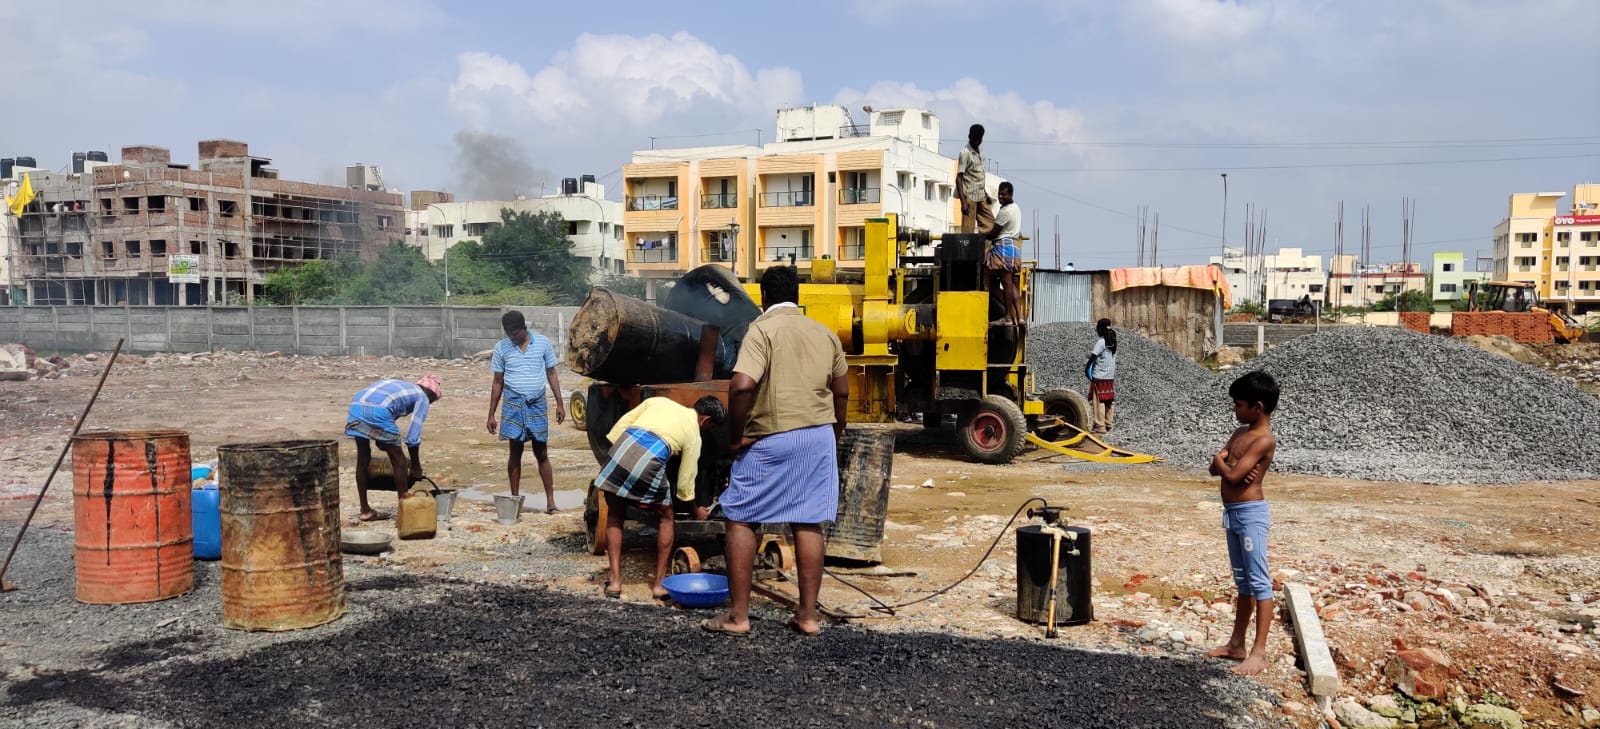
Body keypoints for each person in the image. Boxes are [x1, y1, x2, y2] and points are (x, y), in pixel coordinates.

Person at [701, 266, 849, 637]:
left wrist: (736, 438)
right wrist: (835, 432)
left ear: (763, 297)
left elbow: (740, 387)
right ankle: (808, 617)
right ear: (797, 295)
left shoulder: (762, 330)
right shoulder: (824, 333)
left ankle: (738, 617)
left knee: (740, 515)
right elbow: (842, 391)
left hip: (772, 436)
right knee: (808, 519)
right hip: (818, 436)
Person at [594, 396, 725, 600]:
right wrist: (695, 510)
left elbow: (618, 428)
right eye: (710, 427)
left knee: (615, 515)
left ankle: (615, 582)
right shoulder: (693, 434)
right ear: (705, 420)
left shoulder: (660, 401)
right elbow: (685, 483)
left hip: (622, 448)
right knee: (665, 519)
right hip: (650, 457)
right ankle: (659, 585)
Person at [1204, 371, 1280, 676]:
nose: (1235, 410)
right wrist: (1225, 463)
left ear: (1257, 407)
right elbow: (1215, 469)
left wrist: (1226, 463)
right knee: (1243, 583)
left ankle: (1258, 652)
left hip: (1251, 514)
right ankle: (1237, 644)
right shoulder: (1239, 434)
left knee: (1260, 581)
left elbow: (1232, 475)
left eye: (1239, 405)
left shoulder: (1263, 440)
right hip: (1232, 514)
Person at [487, 310, 566, 514]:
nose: (513, 337)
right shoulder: (501, 348)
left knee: (542, 452)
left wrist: (559, 402)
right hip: (513, 404)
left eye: (516, 333)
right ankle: (515, 501)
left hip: (537, 403)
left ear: (524, 327)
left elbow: (551, 373)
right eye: (509, 334)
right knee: (515, 452)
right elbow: (497, 382)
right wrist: (491, 414)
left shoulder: (542, 343)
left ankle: (551, 502)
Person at [346, 374, 441, 522]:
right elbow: (412, 439)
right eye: (432, 401)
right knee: (400, 462)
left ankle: (365, 510)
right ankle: (405, 514)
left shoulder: (403, 386)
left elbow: (385, 429)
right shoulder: (422, 397)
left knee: (363, 459)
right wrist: (416, 467)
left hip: (356, 406)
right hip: (378, 411)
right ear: (431, 395)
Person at [985, 181, 1023, 324]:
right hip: (1013, 247)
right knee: (1011, 284)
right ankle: (1019, 316)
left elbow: (994, 233)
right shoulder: (1016, 208)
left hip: (1003, 248)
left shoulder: (1005, 211)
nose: (1000, 197)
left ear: (1010, 194)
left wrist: (981, 235)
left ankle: (1007, 317)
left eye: (1004, 194)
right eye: (999, 194)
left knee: (1006, 282)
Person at [957, 123, 992, 235]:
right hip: (969, 196)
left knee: (990, 225)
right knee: (968, 231)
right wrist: (963, 202)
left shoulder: (980, 150)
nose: (977, 141)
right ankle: (967, 252)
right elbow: (958, 178)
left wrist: (985, 193)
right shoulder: (965, 153)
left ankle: (984, 252)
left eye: (979, 138)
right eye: (975, 138)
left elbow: (978, 174)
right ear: (970, 137)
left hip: (981, 195)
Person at [1086, 318, 1117, 433]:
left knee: (1099, 401)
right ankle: (1109, 424)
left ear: (1100, 329)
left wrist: (1086, 369)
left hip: (1099, 376)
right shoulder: (1113, 341)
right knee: (1108, 400)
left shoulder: (1101, 342)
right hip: (1110, 375)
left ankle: (1100, 426)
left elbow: (1093, 357)